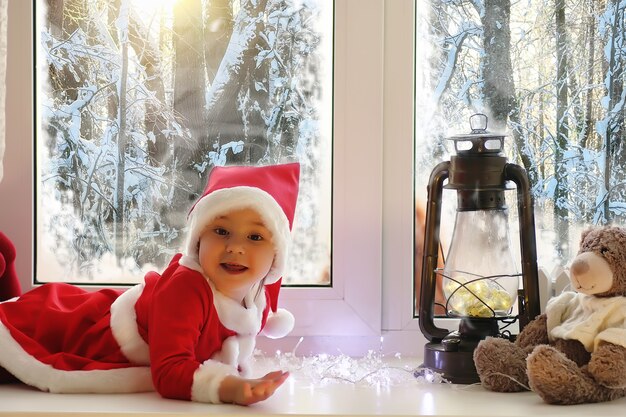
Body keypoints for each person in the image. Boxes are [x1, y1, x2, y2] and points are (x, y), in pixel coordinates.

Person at [0, 162, 300, 405]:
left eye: (255, 237)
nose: (235, 247)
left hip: (100, 311)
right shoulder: (187, 287)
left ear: (276, 255)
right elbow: (169, 373)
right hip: (81, 332)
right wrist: (230, 389)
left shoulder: (254, 299)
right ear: (197, 241)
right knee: (13, 342)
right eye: (221, 231)